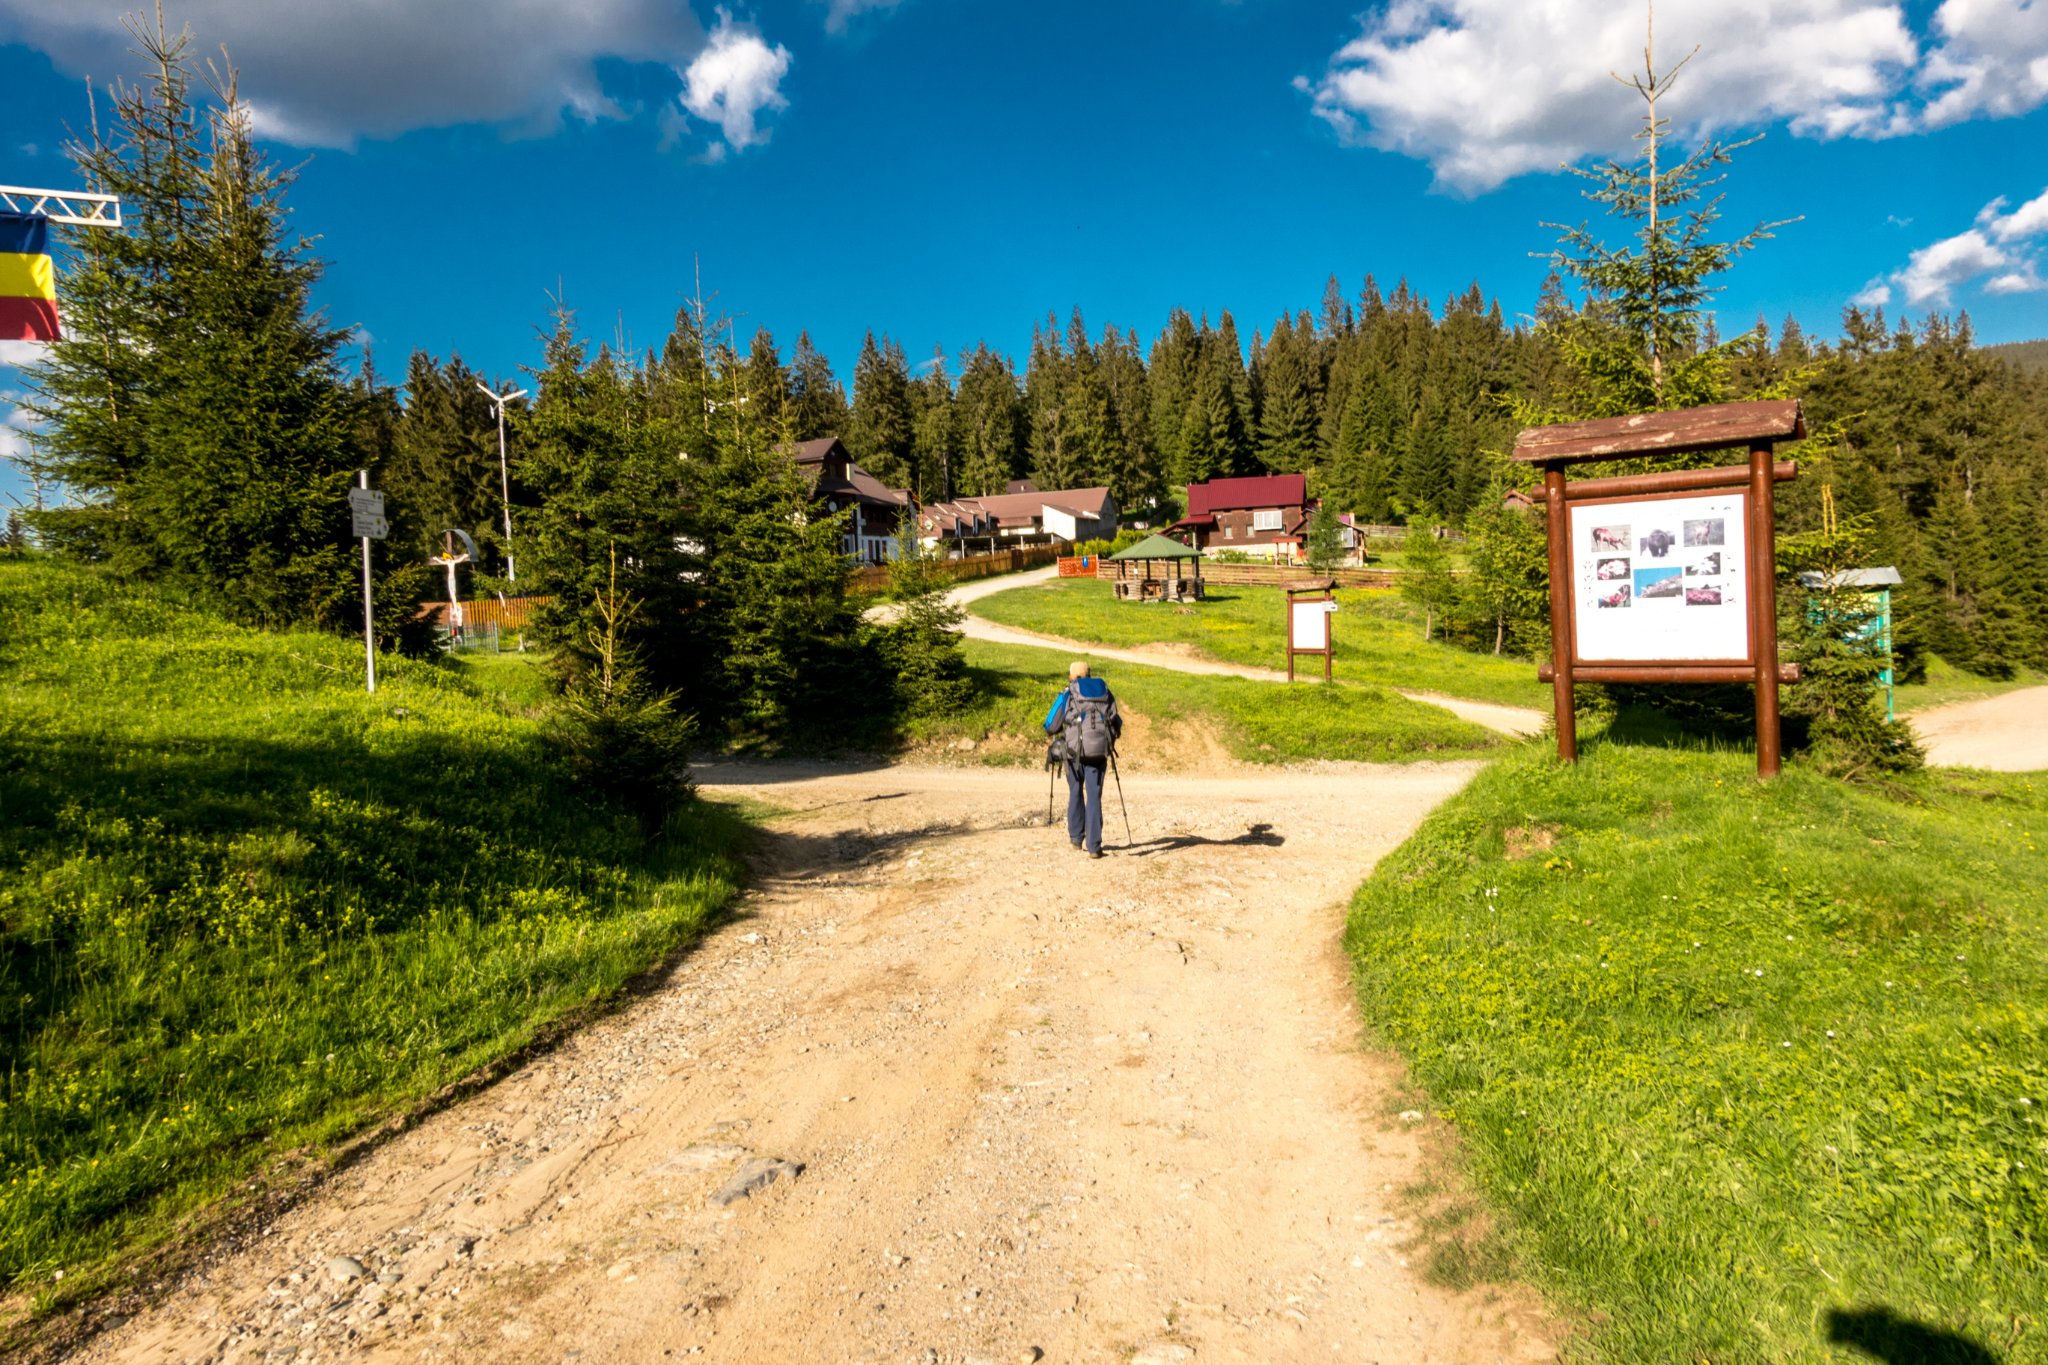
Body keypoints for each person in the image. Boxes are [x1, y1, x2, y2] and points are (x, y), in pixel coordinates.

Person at [1042, 660, 1121, 858]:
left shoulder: (1068, 693)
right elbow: (1116, 723)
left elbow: (1051, 725)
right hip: (1098, 753)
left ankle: (1076, 838)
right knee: (1094, 796)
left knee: (1075, 791)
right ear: (1089, 674)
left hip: (1074, 753)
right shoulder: (1105, 692)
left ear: (1072, 676)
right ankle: (1094, 846)